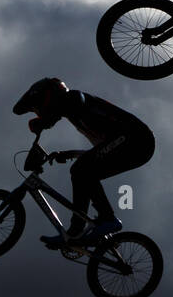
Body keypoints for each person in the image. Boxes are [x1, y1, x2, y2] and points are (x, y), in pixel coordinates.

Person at [12, 78, 154, 248]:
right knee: (83, 172)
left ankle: (102, 220)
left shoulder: (73, 98)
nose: (39, 112)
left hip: (135, 138)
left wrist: (42, 123)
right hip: (133, 143)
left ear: (49, 97)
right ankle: (81, 228)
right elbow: (102, 150)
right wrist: (68, 153)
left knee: (81, 170)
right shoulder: (76, 115)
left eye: (38, 107)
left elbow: (62, 108)